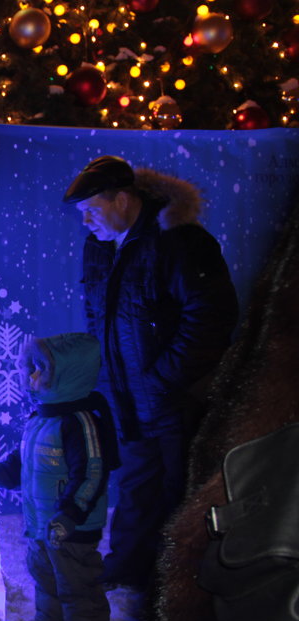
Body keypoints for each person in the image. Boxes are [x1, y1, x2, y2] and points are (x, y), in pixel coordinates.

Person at [62, 156, 238, 590]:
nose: (85, 222)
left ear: (123, 199)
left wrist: (163, 379)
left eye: (92, 209)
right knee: (137, 486)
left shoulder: (179, 241)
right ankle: (128, 566)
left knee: (185, 490)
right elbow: (97, 316)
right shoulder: (99, 247)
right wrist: (107, 384)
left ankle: (189, 580)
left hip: (179, 398)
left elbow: (212, 315)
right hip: (129, 398)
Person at [0, 332, 118, 621]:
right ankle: (51, 619)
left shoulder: (81, 423)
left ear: (67, 374)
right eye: (30, 367)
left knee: (76, 578)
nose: (32, 376)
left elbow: (91, 474)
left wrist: (70, 516)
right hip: (41, 522)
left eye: (41, 368)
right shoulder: (40, 417)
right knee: (44, 573)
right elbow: (21, 460)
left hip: (72, 525)